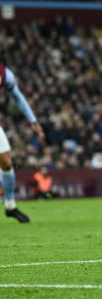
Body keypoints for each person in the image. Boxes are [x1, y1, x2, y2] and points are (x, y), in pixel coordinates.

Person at [0, 63, 45, 222]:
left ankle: (10, 206)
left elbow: (17, 96)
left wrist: (33, 121)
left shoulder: (4, 74)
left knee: (6, 162)